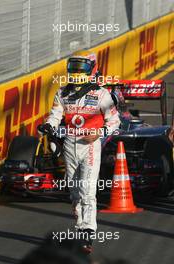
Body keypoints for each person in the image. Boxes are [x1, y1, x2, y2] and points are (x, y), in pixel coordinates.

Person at [39, 52, 120, 252]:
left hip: (90, 146)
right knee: (75, 194)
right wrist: (49, 126)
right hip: (69, 144)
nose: (76, 71)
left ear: (91, 70)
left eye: (80, 68)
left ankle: (87, 235)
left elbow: (114, 122)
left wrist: (99, 134)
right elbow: (55, 115)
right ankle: (81, 227)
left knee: (87, 192)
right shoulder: (62, 92)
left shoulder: (101, 94)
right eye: (73, 67)